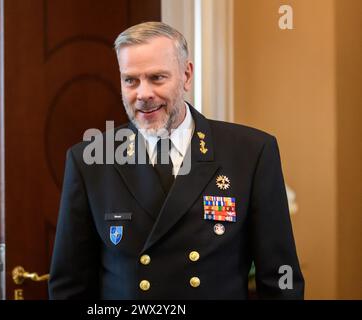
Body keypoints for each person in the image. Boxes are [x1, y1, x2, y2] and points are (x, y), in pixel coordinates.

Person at [49, 21, 304, 299]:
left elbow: (281, 280)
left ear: (186, 75)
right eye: (130, 80)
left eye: (157, 78)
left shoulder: (251, 152)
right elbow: (69, 286)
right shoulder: (88, 160)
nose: (143, 94)